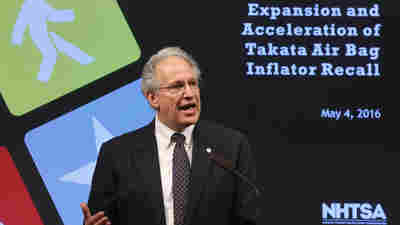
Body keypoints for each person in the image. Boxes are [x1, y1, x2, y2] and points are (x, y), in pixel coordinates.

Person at [80, 47, 260, 225]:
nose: (189, 94)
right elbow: (99, 219)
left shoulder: (232, 146)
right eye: (177, 86)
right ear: (152, 98)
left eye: (193, 83)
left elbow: (249, 219)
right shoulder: (116, 154)